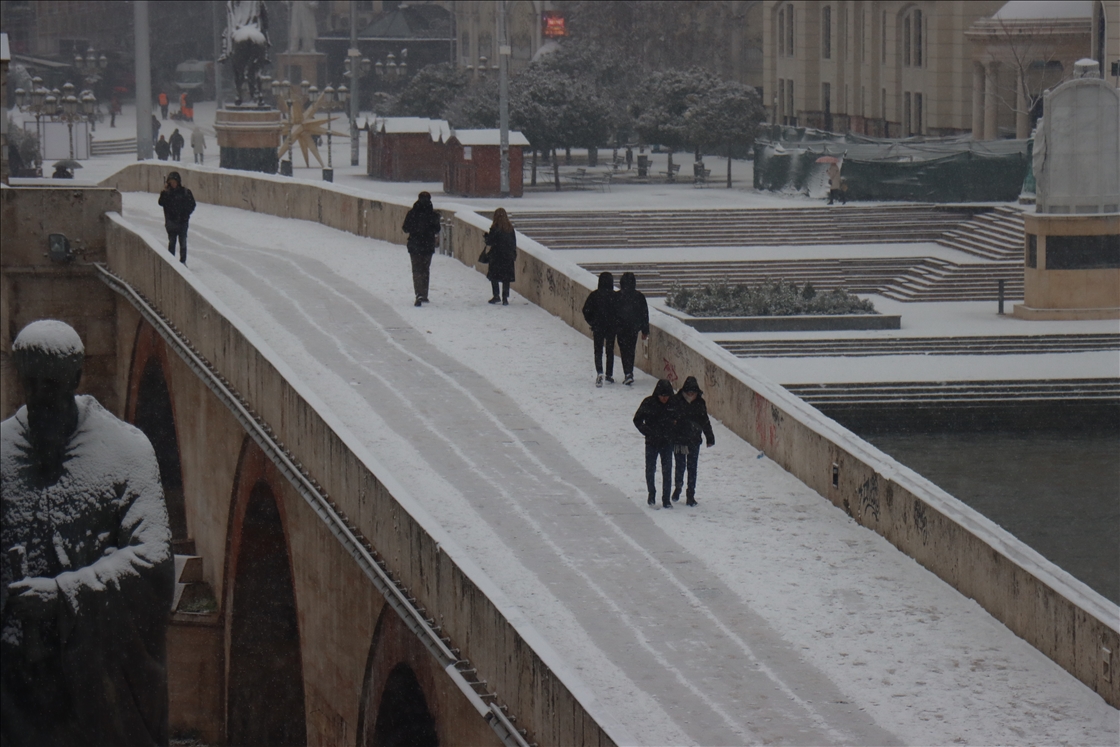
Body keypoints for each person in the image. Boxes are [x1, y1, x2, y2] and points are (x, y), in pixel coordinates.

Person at [1, 320, 174, 746]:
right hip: (15, 686)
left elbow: (153, 558)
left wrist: (63, 594)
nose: (41, 397)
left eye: (52, 385)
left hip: (96, 684)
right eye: (32, 384)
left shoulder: (125, 450)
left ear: (75, 379)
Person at [634, 379, 680, 509]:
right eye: (662, 396)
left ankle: (666, 499)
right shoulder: (648, 403)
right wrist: (647, 432)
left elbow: (680, 419)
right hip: (652, 442)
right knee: (650, 469)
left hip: (667, 442)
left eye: (666, 396)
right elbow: (637, 420)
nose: (664, 399)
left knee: (667, 471)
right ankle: (651, 493)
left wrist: (673, 430)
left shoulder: (674, 404)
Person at [671, 376, 715, 507]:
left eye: (693, 393)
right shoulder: (676, 401)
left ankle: (691, 494)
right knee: (680, 466)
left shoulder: (700, 403)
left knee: (692, 468)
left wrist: (710, 437)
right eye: (688, 393)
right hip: (679, 440)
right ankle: (678, 487)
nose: (691, 395)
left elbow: (705, 421)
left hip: (694, 440)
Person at [401, 191, 441, 307]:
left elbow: (405, 228)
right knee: (425, 269)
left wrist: (416, 229)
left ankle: (418, 293)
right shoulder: (433, 215)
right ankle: (424, 293)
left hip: (415, 245)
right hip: (428, 245)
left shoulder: (412, 213)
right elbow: (437, 229)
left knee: (417, 270)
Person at [581, 271, 617, 387]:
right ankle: (609, 374)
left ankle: (600, 372)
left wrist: (592, 322)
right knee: (610, 351)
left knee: (598, 351)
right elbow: (620, 312)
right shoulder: (615, 296)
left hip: (598, 327)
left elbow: (585, 310)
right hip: (611, 327)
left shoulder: (594, 295)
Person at [614, 271, 649, 386]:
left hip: (621, 327)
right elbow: (644, 314)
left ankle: (627, 372)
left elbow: (612, 313)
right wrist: (645, 330)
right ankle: (629, 372)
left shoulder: (618, 296)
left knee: (624, 350)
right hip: (633, 328)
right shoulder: (639, 297)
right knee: (631, 349)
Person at [158, 171, 196, 264]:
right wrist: (164, 192)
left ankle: (182, 261)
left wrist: (185, 214)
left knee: (183, 242)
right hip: (171, 222)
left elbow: (192, 204)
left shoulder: (185, 192)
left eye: (174, 182)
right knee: (172, 242)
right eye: (171, 182)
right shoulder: (167, 193)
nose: (173, 184)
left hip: (182, 222)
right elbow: (161, 202)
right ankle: (171, 262)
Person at [483, 208, 517, 306]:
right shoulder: (510, 229)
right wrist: (513, 254)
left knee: (494, 276)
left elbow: (490, 242)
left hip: (496, 256)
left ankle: (496, 295)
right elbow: (513, 243)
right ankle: (505, 297)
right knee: (506, 278)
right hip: (508, 256)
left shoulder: (495, 228)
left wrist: (486, 237)